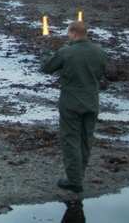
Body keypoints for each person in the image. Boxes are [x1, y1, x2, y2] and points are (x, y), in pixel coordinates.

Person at [42, 21, 107, 194]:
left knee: (71, 140)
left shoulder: (66, 51)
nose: (68, 36)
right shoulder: (99, 52)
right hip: (92, 101)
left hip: (71, 102)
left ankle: (74, 180)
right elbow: (103, 73)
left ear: (73, 33)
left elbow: (46, 68)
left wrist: (48, 51)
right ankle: (79, 175)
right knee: (86, 140)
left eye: (69, 34)